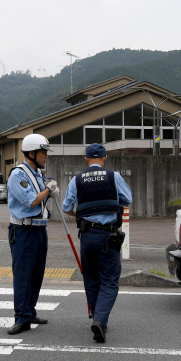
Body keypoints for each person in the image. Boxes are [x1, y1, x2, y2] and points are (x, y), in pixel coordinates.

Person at [62, 143, 132, 343]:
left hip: (87, 236)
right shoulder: (113, 176)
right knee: (109, 279)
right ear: (105, 158)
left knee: (91, 278)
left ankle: (97, 317)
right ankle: (100, 320)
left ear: (86, 159)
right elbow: (127, 199)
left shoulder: (76, 180)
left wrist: (81, 213)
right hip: (109, 236)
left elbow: (67, 207)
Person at [6, 133, 60, 335]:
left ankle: (30, 311)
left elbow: (41, 196)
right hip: (23, 231)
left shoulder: (36, 173)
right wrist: (48, 190)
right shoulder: (18, 174)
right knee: (23, 276)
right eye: (43, 152)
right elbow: (31, 201)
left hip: (39, 229)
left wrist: (48, 190)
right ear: (31, 152)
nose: (46, 156)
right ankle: (22, 318)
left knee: (37, 274)